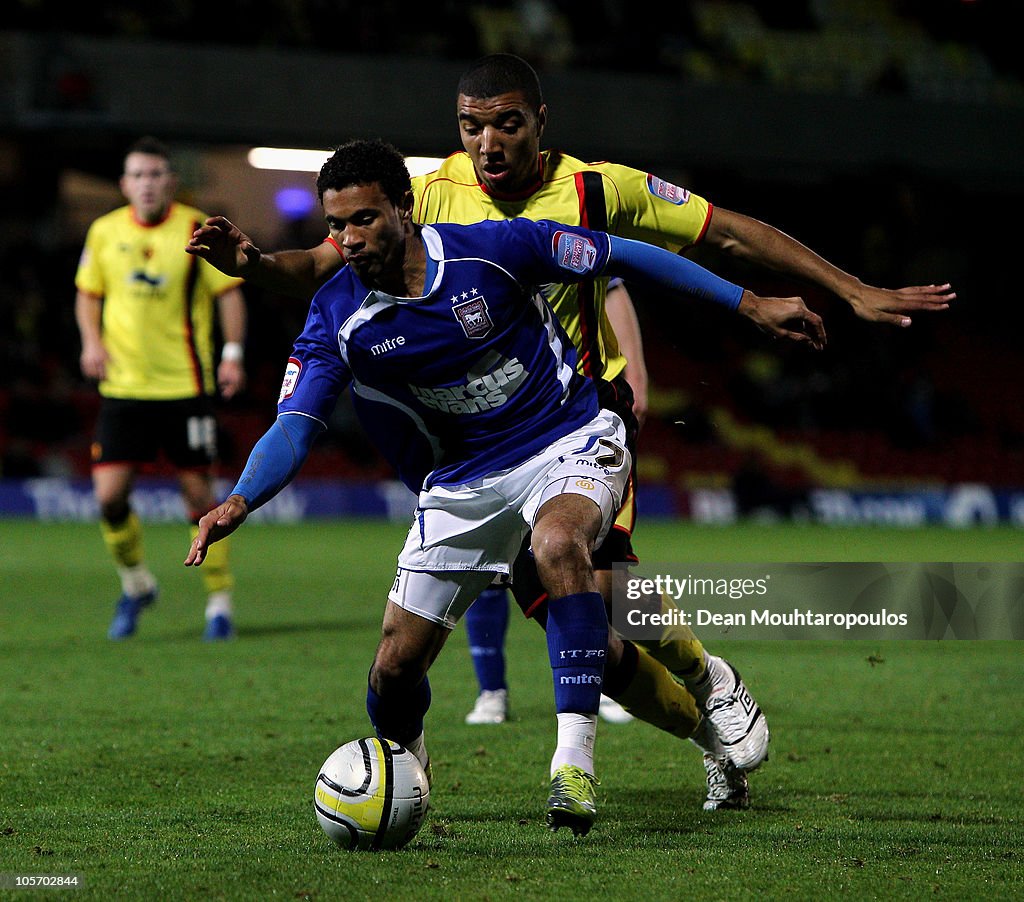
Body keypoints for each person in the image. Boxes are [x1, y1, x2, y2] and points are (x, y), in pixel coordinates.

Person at [186, 53, 952, 807]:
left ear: (540, 122)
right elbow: (323, 266)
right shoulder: (424, 194)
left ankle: (688, 690)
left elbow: (719, 234)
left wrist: (842, 290)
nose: (488, 145)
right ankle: (707, 725)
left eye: (507, 125)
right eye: (470, 127)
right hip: (474, 451)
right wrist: (251, 262)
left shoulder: (595, 187)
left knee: (595, 585)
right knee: (599, 639)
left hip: (575, 421)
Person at [75, 136, 247, 641]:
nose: (147, 184)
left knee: (199, 496)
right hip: (124, 387)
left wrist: (232, 354)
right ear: (125, 183)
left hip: (185, 386)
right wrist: (90, 342)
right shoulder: (104, 232)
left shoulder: (196, 227)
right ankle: (136, 586)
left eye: (156, 175)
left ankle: (219, 601)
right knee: (109, 497)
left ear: (170, 181)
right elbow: (88, 295)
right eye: (138, 175)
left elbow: (229, 294)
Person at [464, 278, 641, 728]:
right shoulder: (456, 225)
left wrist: (634, 370)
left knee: (589, 564)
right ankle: (491, 690)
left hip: (582, 410)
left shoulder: (570, 223)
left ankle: (600, 676)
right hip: (499, 412)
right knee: (486, 564)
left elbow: (614, 282)